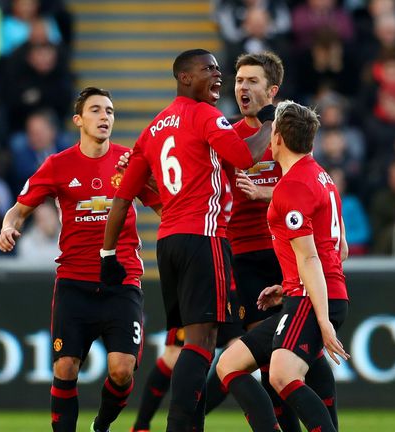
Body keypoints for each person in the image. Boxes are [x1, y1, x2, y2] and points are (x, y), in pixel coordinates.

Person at [100, 49, 273, 432]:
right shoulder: (205, 115)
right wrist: (269, 122)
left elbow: (123, 198)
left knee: (185, 347)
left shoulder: (153, 129)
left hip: (169, 245)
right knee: (202, 344)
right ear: (183, 77)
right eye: (207, 69)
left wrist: (108, 254)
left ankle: (157, 424)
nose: (218, 75)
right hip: (204, 238)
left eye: (218, 68)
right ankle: (180, 426)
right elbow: (245, 157)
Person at [0, 87, 160, 432]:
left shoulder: (128, 161)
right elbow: (19, 209)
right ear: (79, 120)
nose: (105, 117)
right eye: (97, 110)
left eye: (111, 111)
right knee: (65, 367)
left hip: (121, 280)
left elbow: (162, 206)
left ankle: (101, 423)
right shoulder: (58, 165)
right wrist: (7, 227)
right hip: (74, 282)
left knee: (121, 370)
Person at [215, 101, 350, 432]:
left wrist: (321, 318)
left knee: (281, 374)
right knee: (229, 364)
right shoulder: (322, 178)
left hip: (312, 298)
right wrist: (288, 284)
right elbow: (340, 248)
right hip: (306, 292)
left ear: (276, 137)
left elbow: (311, 257)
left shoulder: (292, 187)